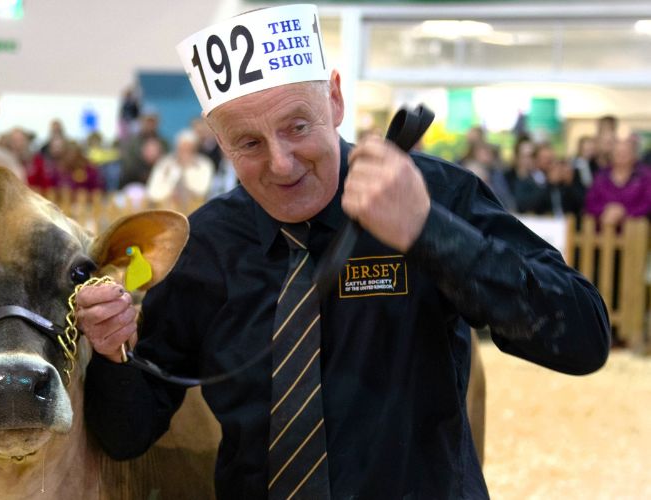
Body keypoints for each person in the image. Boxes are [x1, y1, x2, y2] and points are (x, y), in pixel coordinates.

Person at [75, 5, 610, 498]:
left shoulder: (432, 194)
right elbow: (129, 435)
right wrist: (111, 354)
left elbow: (582, 338)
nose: (281, 164)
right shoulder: (206, 247)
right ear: (218, 139)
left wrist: (430, 232)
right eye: (249, 143)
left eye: (298, 126)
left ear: (335, 99)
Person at [584, 138, 651, 225]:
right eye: (617, 153)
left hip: (637, 231)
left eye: (625, 152)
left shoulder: (645, 176)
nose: (621, 156)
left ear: (634, 155)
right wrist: (605, 210)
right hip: (603, 231)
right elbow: (590, 203)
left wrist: (624, 212)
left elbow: (647, 203)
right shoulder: (600, 176)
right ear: (611, 155)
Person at [146, 129, 214, 205]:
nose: (185, 154)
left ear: (195, 149)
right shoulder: (164, 164)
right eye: (182, 149)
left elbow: (202, 191)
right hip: (165, 208)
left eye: (189, 149)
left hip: (194, 207)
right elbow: (153, 192)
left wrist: (185, 170)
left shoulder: (204, 165)